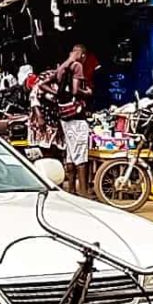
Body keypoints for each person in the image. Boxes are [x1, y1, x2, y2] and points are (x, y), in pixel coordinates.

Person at [45, 40, 101, 196]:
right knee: (81, 155)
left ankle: (71, 189)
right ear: (82, 55)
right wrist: (87, 93)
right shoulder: (77, 66)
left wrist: (58, 96)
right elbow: (76, 91)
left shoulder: (63, 67)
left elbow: (46, 82)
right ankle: (83, 192)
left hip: (64, 115)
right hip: (76, 115)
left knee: (71, 152)